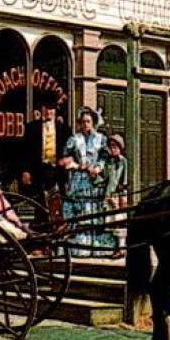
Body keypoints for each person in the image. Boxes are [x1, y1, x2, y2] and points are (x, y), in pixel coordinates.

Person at [61, 108, 112, 255]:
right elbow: (66, 158)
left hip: (94, 179)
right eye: (83, 122)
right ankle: (79, 244)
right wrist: (76, 165)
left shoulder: (100, 138)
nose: (86, 124)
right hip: (78, 178)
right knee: (79, 207)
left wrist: (97, 168)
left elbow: (104, 157)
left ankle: (96, 244)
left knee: (94, 207)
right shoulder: (74, 139)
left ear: (93, 123)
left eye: (88, 121)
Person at [101, 135, 129, 255]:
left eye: (115, 147)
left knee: (120, 220)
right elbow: (106, 177)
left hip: (118, 194)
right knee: (111, 221)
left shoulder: (123, 161)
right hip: (109, 193)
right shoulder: (108, 161)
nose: (113, 150)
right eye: (111, 147)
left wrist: (120, 196)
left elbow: (124, 180)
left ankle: (121, 248)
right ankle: (114, 247)